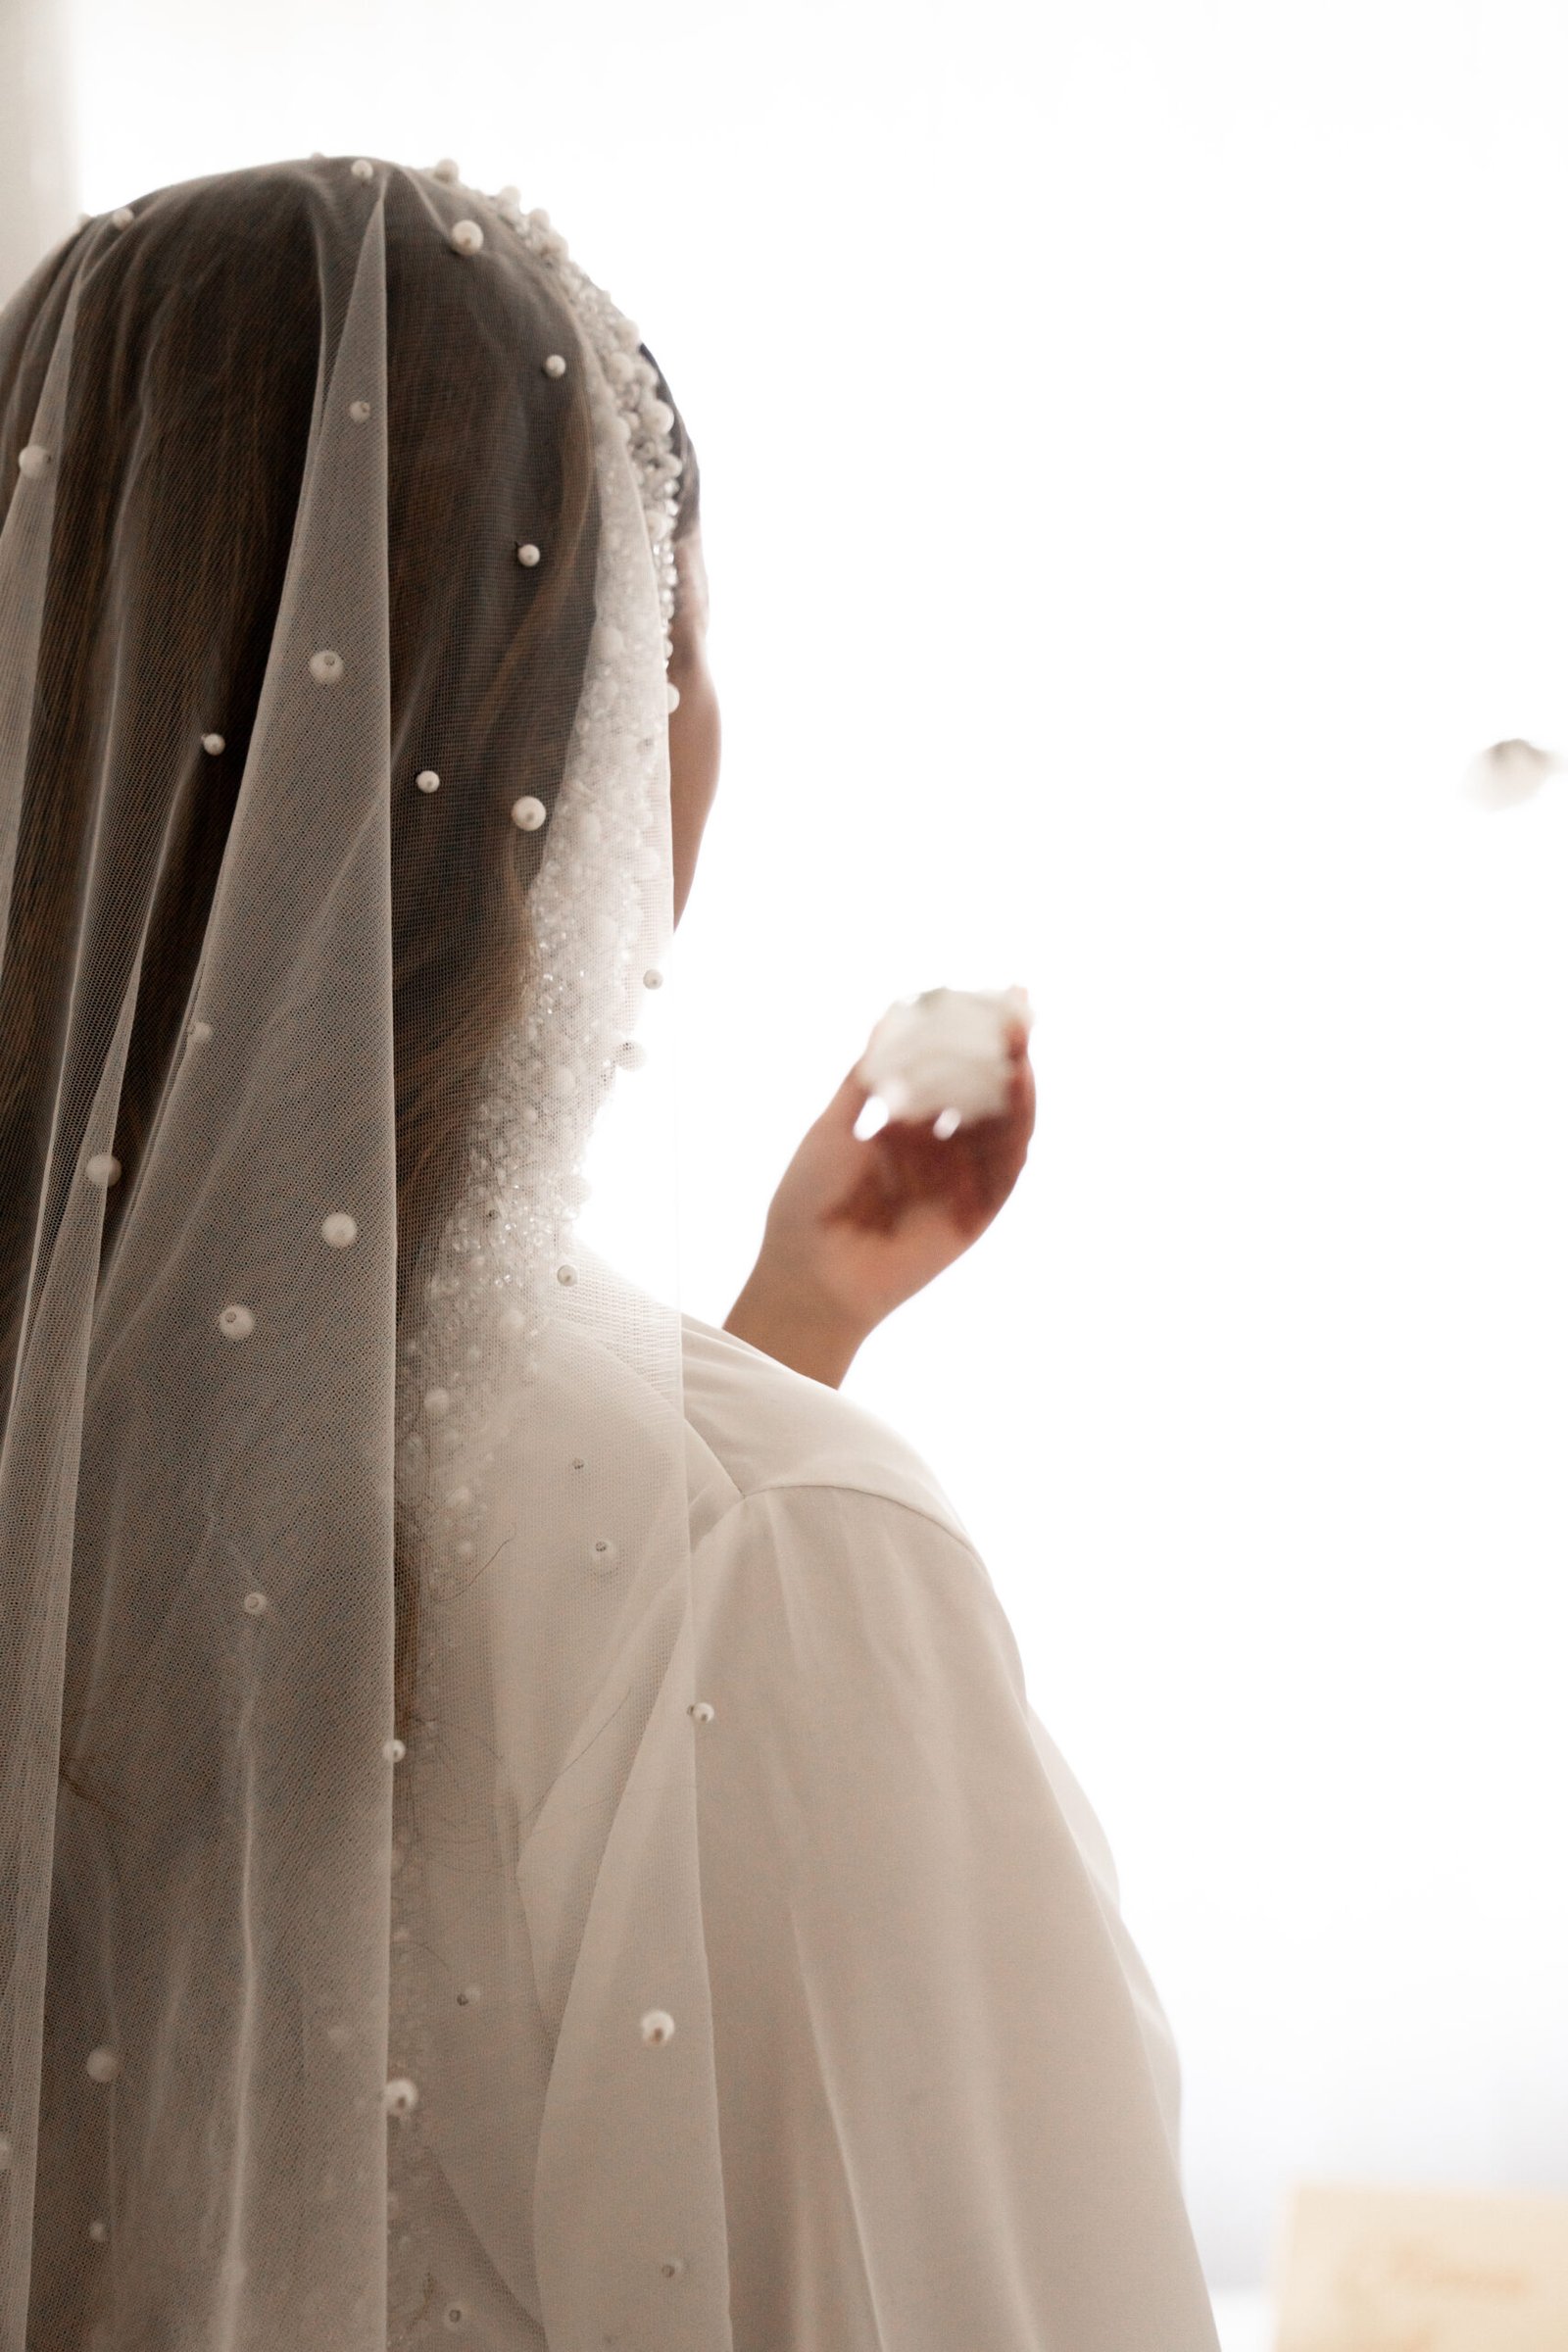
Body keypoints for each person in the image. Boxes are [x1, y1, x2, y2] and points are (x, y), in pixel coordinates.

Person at [0, 155, 1220, 2350]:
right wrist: (744, 1466)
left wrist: (784, 1334)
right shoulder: (773, 1557)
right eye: (686, 634)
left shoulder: (64, 1444)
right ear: (564, 738)